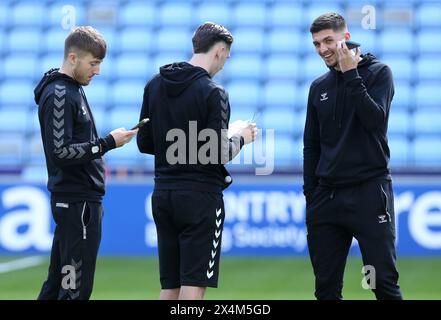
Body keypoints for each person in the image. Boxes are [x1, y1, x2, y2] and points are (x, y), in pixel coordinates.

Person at [137, 22, 257, 300]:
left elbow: (144, 143)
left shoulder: (154, 84)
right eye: (226, 56)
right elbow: (218, 152)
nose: (224, 64)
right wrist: (241, 138)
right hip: (200, 198)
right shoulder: (214, 92)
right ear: (219, 51)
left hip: (163, 193)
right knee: (193, 284)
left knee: (170, 285)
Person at [303, 13, 403, 300]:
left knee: (382, 283)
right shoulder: (318, 87)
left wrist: (351, 75)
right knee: (326, 290)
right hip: (326, 200)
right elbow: (311, 145)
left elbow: (374, 121)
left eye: (328, 41)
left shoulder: (379, 73)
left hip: (369, 193)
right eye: (316, 44)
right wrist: (312, 196)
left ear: (345, 38)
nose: (322, 49)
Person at [34, 26, 137, 300]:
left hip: (77, 204)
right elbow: (61, 152)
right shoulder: (60, 93)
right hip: (77, 206)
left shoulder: (71, 90)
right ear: (72, 58)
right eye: (93, 63)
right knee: (74, 288)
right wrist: (107, 143)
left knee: (58, 285)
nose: (98, 70)